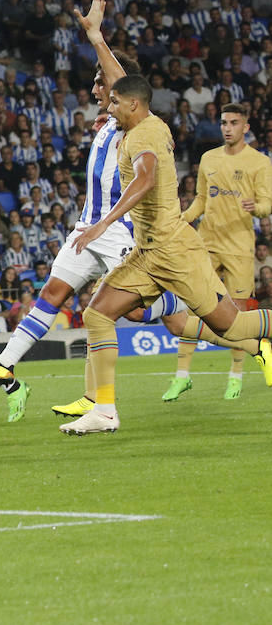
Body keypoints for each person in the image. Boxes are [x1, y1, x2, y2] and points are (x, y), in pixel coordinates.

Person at [0, 0, 144, 420]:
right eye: (98, 83)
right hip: (87, 229)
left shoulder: (132, 121)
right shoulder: (103, 126)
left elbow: (120, 87)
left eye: (103, 83)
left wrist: (96, 37)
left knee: (139, 312)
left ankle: (198, 310)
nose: (96, 88)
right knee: (53, 293)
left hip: (119, 232)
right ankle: (5, 363)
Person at [61, 75, 272, 435]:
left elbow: (144, 180)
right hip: (147, 252)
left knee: (231, 324)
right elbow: (122, 80)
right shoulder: (150, 121)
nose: (108, 108)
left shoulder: (142, 136)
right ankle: (105, 411)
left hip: (175, 252)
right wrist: (96, 36)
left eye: (114, 103)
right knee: (97, 314)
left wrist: (103, 223)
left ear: (132, 105)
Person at [158, 103, 271, 402]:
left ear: (245, 127)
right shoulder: (208, 158)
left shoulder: (260, 163)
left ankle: (236, 377)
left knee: (237, 315)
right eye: (224, 122)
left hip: (239, 249)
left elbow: (267, 205)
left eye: (234, 122)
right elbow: (200, 201)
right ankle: (182, 375)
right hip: (205, 245)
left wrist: (256, 207)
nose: (227, 127)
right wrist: (181, 219)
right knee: (193, 307)